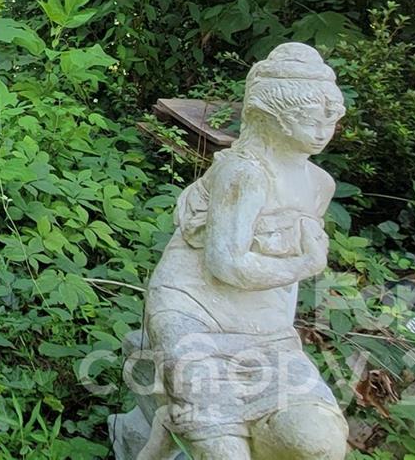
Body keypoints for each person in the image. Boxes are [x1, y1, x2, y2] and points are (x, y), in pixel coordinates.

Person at [129, 42, 349, 460]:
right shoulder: (244, 172)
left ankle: (175, 421)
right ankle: (184, 421)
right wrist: (304, 263)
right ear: (272, 117)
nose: (322, 130)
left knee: (318, 444)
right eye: (308, 118)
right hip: (195, 310)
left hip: (264, 325)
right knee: (224, 451)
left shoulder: (320, 184)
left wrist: (281, 334)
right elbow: (225, 262)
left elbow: (289, 286)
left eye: (330, 119)